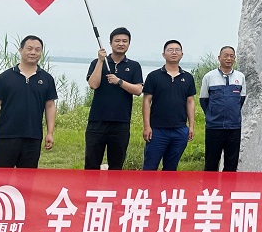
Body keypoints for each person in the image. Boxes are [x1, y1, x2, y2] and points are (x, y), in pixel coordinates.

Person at [0, 35, 58, 168]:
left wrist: (50, 133)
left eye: (37, 50)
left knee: (27, 178)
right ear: (21, 50)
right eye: (29, 49)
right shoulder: (5, 77)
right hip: (6, 136)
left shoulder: (47, 79)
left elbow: (50, 106)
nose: (33, 52)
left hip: (33, 137)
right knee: (2, 178)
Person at [84, 27, 144, 170]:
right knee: (91, 164)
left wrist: (119, 82)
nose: (121, 44)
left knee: (116, 165)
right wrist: (100, 61)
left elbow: (138, 90)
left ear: (129, 43)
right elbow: (93, 84)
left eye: (124, 41)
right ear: (110, 43)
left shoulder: (134, 66)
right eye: (117, 41)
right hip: (97, 121)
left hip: (121, 123)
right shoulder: (97, 62)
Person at [142, 39, 196, 171]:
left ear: (182, 54)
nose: (174, 52)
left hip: (180, 130)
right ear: (163, 54)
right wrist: (147, 126)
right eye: (170, 50)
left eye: (177, 50)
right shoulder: (153, 76)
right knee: (150, 168)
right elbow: (146, 101)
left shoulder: (188, 77)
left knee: (171, 169)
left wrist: (191, 126)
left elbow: (190, 101)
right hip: (157, 130)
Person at [200, 46, 246, 172]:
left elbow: (241, 100)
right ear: (219, 58)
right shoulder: (209, 77)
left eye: (231, 56)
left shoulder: (240, 77)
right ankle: (209, 185)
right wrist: (212, 115)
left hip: (234, 127)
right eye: (225, 55)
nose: (228, 58)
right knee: (211, 163)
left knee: (231, 163)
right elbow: (204, 100)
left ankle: (229, 185)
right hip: (214, 127)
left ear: (235, 58)